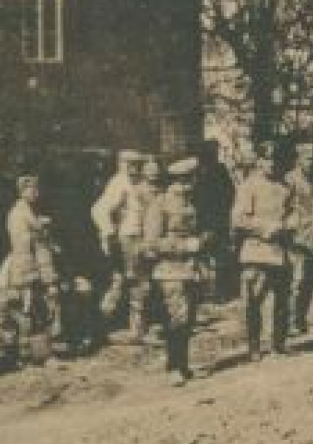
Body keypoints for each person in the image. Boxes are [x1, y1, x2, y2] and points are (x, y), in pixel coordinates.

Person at [144, 158, 207, 385]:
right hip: (169, 271)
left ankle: (183, 364)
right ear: (179, 181)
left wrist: (201, 243)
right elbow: (151, 243)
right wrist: (184, 246)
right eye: (189, 179)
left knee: (188, 319)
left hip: (190, 269)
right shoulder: (160, 204)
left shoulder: (192, 204)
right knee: (176, 319)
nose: (192, 183)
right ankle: (173, 367)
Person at [231, 143, 293, 361]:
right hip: (256, 250)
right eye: (268, 160)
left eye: (276, 160)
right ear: (259, 161)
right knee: (254, 300)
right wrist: (264, 227)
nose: (272, 164)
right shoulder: (249, 186)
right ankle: (254, 346)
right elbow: (238, 219)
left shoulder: (283, 187)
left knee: (283, 299)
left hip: (279, 250)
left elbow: (291, 213)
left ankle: (279, 343)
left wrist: (287, 225)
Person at [3, 174, 63, 361]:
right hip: (25, 268)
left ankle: (40, 353)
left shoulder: (32, 212)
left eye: (37, 189)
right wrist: (32, 275)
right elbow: (23, 247)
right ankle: (26, 355)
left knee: (39, 310)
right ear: (22, 192)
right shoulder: (18, 214)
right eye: (31, 189)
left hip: (38, 267)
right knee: (28, 310)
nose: (36, 193)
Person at [90, 150, 146, 339]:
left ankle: (101, 324)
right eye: (130, 165)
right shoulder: (119, 184)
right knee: (134, 281)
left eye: (137, 165)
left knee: (123, 281)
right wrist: (108, 233)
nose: (134, 169)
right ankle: (130, 327)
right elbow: (99, 209)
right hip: (128, 238)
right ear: (122, 165)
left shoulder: (136, 182)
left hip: (135, 236)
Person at [284, 142, 313, 337]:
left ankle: (301, 319)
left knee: (311, 281)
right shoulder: (290, 179)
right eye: (308, 159)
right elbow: (284, 207)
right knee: (297, 280)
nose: (311, 162)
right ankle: (291, 322)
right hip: (297, 238)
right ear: (299, 159)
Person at [193, 139, 237, 303]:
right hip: (206, 221)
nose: (216, 154)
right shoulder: (200, 172)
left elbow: (230, 194)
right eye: (213, 151)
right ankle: (206, 291)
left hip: (217, 221)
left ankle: (219, 292)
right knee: (204, 257)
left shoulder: (220, 170)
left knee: (219, 258)